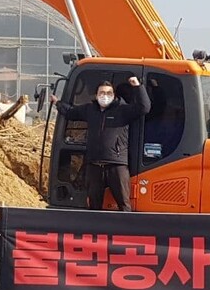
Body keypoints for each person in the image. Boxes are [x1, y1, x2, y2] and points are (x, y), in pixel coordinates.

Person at [51, 77, 151, 211]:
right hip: (94, 166)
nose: (105, 96)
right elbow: (70, 112)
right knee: (94, 204)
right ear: (96, 95)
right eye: (101, 93)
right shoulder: (90, 110)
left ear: (114, 95)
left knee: (124, 203)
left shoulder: (122, 110)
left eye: (108, 93)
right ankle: (94, 230)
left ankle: (125, 228)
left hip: (116, 165)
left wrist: (138, 86)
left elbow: (144, 107)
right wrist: (57, 103)